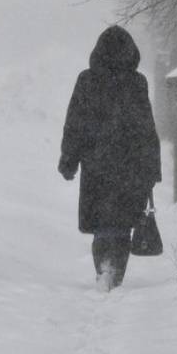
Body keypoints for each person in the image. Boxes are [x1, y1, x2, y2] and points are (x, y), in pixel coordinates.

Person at [58, 25, 161, 291]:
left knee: (102, 224)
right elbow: (146, 128)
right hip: (130, 166)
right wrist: (151, 168)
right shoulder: (136, 82)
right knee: (123, 224)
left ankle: (103, 269)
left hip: (97, 164)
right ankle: (115, 274)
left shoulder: (87, 80)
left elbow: (75, 123)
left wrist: (69, 160)